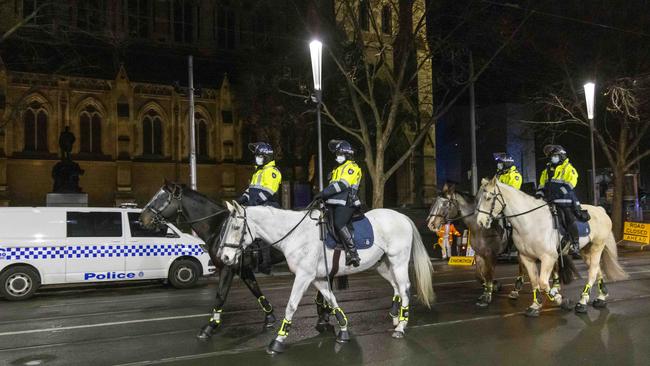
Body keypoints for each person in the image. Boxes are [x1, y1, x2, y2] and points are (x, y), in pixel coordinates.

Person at [315, 140, 362, 267]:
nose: (337, 156)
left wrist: (324, 192)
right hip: (335, 202)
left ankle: (353, 253)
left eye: (340, 153)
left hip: (348, 202)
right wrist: (323, 197)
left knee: (339, 223)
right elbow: (333, 187)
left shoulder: (352, 167)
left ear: (347, 154)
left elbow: (342, 185)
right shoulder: (337, 169)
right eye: (336, 154)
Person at [535, 145, 589, 255]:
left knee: (568, 218)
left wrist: (557, 194)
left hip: (565, 201)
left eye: (555, 156)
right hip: (549, 201)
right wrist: (539, 194)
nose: (552, 158)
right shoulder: (546, 170)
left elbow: (570, 184)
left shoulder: (569, 168)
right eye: (551, 156)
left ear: (561, 156)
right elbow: (541, 184)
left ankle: (575, 243)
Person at [237, 142, 282, 208]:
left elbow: (268, 191)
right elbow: (252, 189)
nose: (257, 158)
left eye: (260, 156)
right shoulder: (258, 172)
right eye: (256, 156)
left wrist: (255, 201)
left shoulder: (272, 171)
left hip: (268, 208)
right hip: (257, 207)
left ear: (267, 157)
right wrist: (244, 197)